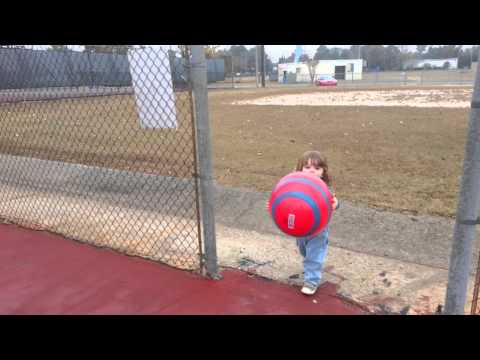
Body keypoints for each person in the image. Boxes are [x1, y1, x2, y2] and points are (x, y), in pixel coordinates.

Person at [268, 151, 339, 295]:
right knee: (304, 251)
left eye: (317, 168)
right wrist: (273, 207)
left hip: (318, 230)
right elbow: (284, 200)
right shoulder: (294, 185)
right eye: (307, 167)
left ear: (323, 172)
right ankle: (311, 266)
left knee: (314, 255)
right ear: (299, 169)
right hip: (300, 230)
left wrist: (336, 204)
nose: (312, 171)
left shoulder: (324, 188)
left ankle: (311, 281)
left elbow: (333, 203)